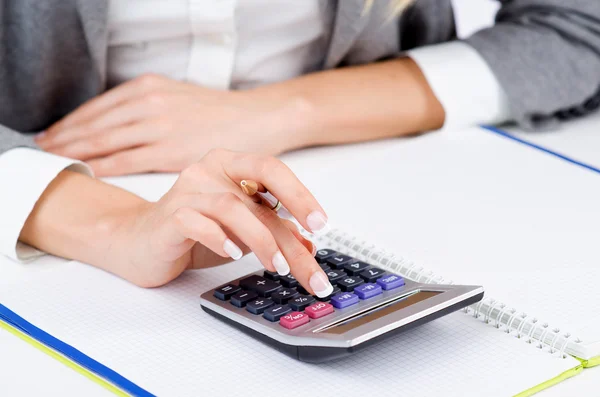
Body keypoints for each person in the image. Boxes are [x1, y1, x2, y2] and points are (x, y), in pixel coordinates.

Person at [0, 1, 599, 294]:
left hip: (399, 169)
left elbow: (578, 24)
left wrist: (288, 110)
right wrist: (113, 224)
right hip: (46, 200)